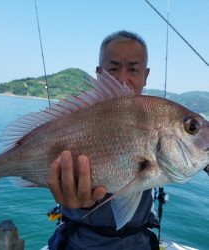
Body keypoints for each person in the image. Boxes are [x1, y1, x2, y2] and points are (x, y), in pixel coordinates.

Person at [46, 30, 159, 250]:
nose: (123, 78)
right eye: (114, 68)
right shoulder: (77, 117)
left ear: (145, 75)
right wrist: (68, 197)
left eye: (133, 69)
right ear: (99, 73)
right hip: (79, 242)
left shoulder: (161, 120)